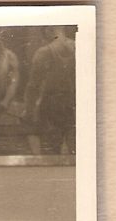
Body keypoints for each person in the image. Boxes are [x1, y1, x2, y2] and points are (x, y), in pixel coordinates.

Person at [24, 26, 75, 155]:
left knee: (52, 150)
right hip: (76, 102)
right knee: (77, 148)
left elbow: (33, 85)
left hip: (52, 104)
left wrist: (29, 110)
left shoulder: (44, 52)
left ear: (48, 30)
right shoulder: (79, 47)